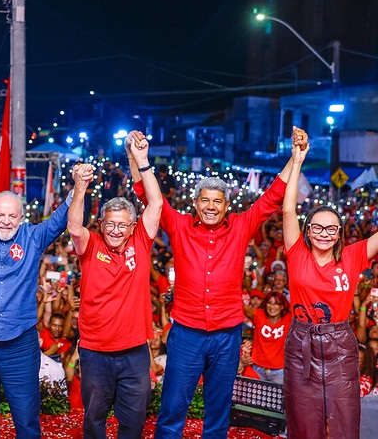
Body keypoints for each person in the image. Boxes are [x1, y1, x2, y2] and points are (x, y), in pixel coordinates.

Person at [134, 126, 308, 438]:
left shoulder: (241, 226)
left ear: (227, 205)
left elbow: (272, 197)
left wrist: (295, 159)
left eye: (217, 201)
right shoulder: (180, 226)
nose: (211, 206)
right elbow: (150, 198)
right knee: (172, 408)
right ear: (195, 204)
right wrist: (137, 158)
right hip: (186, 333)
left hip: (227, 334)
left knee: (218, 412)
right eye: (205, 200)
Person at [0, 165, 83, 439]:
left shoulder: (32, 237)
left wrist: (78, 186)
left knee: (26, 417)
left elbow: (59, 220)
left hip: (21, 344)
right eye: (0, 215)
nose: (6, 221)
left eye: (12, 215)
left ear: (21, 217)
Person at [67, 130, 163, 439]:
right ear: (101, 224)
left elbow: (156, 203)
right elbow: (74, 227)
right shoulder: (91, 244)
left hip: (134, 351)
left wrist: (142, 159)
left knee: (134, 419)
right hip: (95, 350)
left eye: (122, 224)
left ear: (133, 226)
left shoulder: (141, 242)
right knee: (94, 418)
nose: (116, 230)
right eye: (110, 223)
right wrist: (80, 187)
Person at [281, 135, 378, 439]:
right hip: (301, 343)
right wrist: (297, 161)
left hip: (340, 345)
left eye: (331, 228)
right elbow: (287, 210)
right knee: (303, 421)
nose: (324, 233)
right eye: (318, 227)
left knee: (343, 421)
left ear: (339, 234)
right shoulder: (296, 252)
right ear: (308, 232)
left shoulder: (353, 256)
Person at [244, 291, 291, 383]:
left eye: (276, 303)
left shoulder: (289, 318)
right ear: (265, 304)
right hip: (257, 369)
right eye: (269, 303)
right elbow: (240, 306)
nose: (272, 307)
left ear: (282, 306)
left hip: (279, 372)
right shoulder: (258, 315)